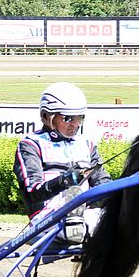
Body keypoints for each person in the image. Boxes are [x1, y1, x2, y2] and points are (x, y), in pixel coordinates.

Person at [13, 82, 111, 243]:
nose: (75, 124)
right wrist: (64, 181)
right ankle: (75, 221)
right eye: (67, 118)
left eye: (79, 117)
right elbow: (32, 192)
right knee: (78, 206)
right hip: (47, 218)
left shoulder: (87, 144)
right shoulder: (30, 145)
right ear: (47, 117)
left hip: (87, 213)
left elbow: (102, 182)